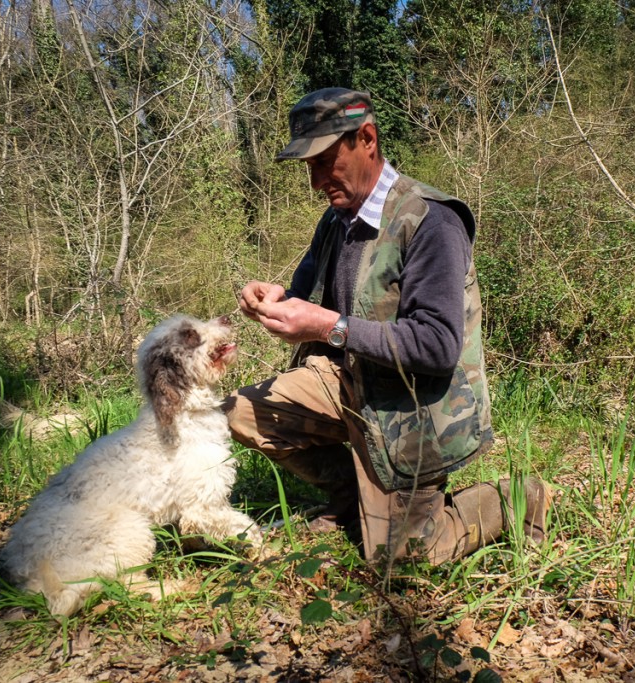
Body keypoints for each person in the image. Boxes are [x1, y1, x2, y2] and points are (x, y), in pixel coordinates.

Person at [226, 87, 550, 565]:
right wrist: (275, 300)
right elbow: (308, 298)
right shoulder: (337, 219)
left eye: (324, 161)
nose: (316, 181)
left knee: (407, 558)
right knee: (235, 413)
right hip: (347, 385)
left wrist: (328, 327)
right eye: (308, 167)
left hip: (410, 409)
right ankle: (353, 498)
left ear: (368, 139)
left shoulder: (431, 220)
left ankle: (520, 497)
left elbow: (438, 345)